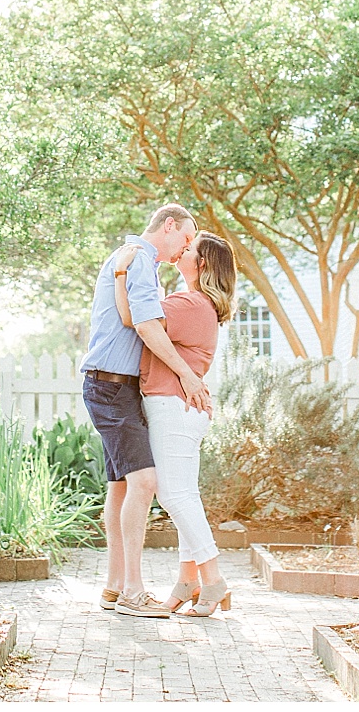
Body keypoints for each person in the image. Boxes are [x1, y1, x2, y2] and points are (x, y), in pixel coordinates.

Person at [80, 204, 211, 618]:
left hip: (119, 388)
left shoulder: (136, 263)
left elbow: (129, 315)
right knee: (144, 481)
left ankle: (115, 586)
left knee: (120, 486)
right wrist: (187, 375)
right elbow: (146, 325)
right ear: (168, 226)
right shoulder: (137, 258)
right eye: (185, 239)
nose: (185, 249)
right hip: (111, 386)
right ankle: (134, 594)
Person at [111, 229, 236, 616]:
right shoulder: (196, 303)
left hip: (173, 407)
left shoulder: (190, 304)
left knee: (174, 496)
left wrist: (119, 275)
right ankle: (187, 580)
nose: (182, 248)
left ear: (200, 264)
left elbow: (134, 320)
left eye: (190, 248)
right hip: (180, 409)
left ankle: (213, 580)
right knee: (183, 495)